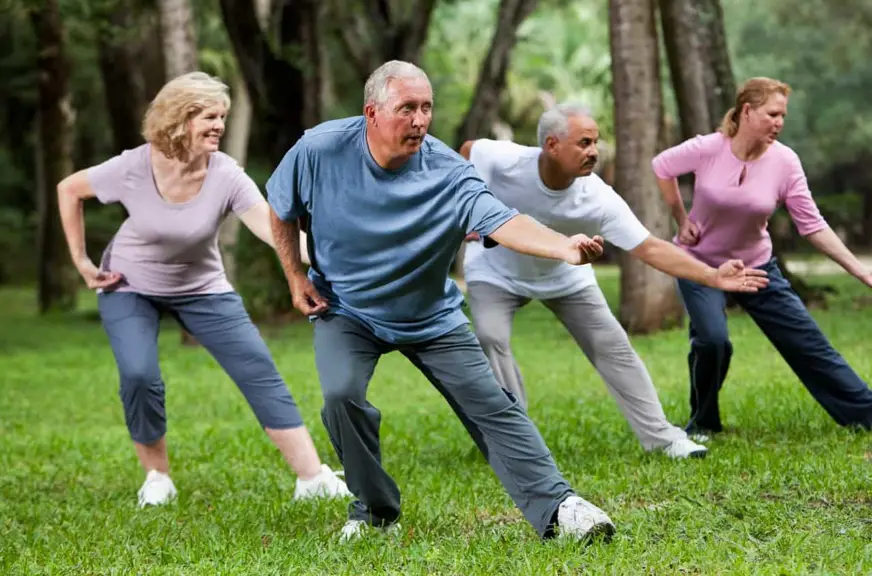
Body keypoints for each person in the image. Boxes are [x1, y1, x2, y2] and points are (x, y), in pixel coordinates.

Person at [265, 60, 616, 543]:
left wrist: (564, 246)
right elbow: (280, 207)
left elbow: (502, 219)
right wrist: (294, 275)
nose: (420, 120)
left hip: (429, 315)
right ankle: (374, 512)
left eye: (427, 107)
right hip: (346, 307)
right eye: (407, 108)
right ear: (371, 112)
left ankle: (560, 508)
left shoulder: (448, 171)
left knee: (493, 405)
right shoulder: (319, 150)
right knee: (340, 396)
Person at [56, 72, 352, 508]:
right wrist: (81, 261)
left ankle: (312, 477)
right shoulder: (133, 166)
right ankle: (157, 477)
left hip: (201, 286)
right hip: (129, 283)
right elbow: (69, 189)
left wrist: (339, 255)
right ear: (179, 119)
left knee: (258, 368)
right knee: (139, 375)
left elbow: (275, 231)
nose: (219, 125)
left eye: (222, 117)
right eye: (209, 116)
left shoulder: (226, 175)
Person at [457, 103, 770, 460]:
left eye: (596, 142)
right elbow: (468, 150)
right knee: (490, 337)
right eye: (584, 143)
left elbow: (651, 248)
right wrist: (471, 209)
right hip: (495, 270)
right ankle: (515, 441)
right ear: (551, 144)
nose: (594, 152)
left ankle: (664, 438)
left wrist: (712, 275)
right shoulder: (506, 160)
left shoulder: (597, 198)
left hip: (565, 275)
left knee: (615, 348)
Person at [652, 76, 872, 439]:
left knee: (807, 342)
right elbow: (662, 166)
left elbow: (812, 225)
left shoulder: (785, 162)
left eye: (783, 115)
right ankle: (703, 423)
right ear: (747, 111)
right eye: (772, 114)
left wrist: (859, 270)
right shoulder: (709, 148)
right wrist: (681, 217)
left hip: (756, 266)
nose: (779, 123)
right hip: (700, 264)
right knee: (712, 341)